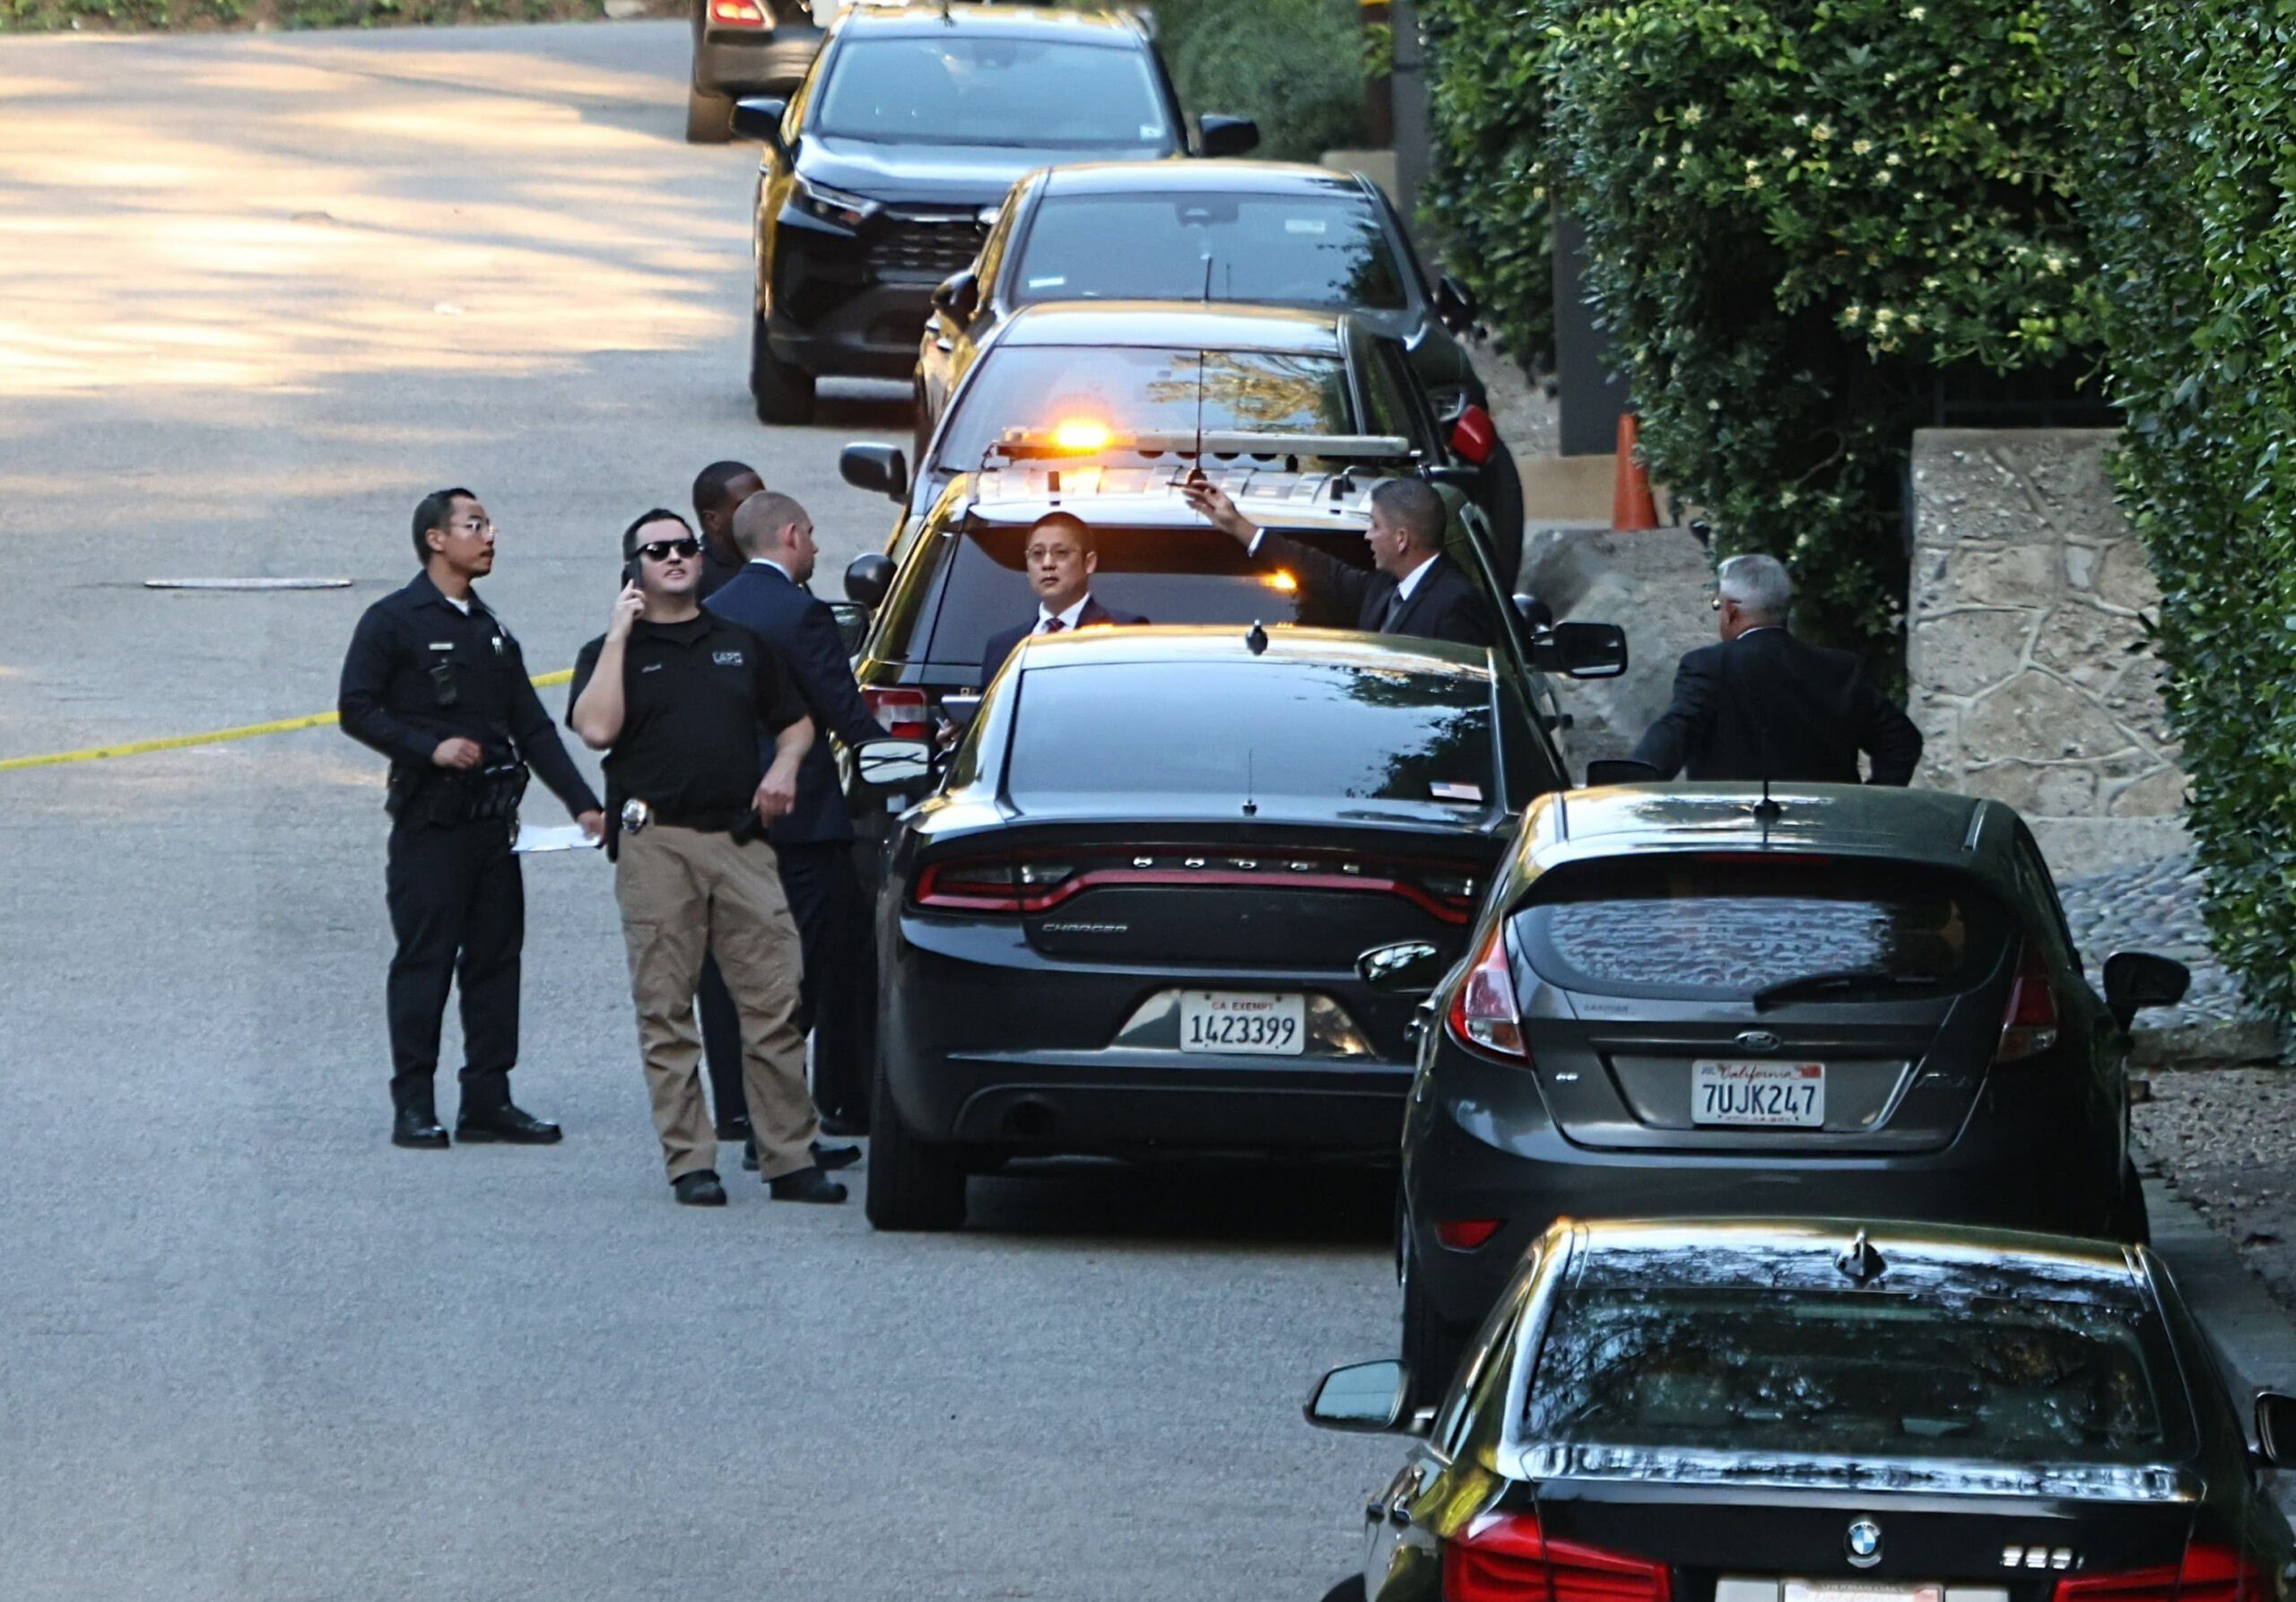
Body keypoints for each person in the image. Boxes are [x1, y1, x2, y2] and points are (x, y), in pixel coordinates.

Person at [567, 510, 855, 1206]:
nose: (673, 557)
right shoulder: (612, 651)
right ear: (633, 569)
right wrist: (618, 634)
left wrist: (785, 767)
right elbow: (597, 728)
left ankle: (788, 1157)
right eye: (655, 550)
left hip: (743, 843)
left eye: (684, 546)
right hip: (656, 844)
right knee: (667, 1009)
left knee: (774, 1001)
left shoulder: (740, 643)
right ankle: (690, 1160)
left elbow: (796, 723)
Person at [338, 487, 604, 1151]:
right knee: (425, 962)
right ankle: (414, 1104)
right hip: (432, 827)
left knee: (495, 962)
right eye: (475, 524)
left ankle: (488, 1099)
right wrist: (429, 748)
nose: (490, 536)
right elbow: (357, 707)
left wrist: (583, 803)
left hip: (493, 828)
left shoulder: (490, 630)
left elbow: (533, 727)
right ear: (436, 539)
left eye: (490, 524)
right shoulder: (393, 620)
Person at [707, 491, 883, 1136]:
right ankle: (783, 1120)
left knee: (749, 962)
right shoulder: (801, 614)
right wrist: (900, 754)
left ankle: (755, 1112)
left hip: (733, 818)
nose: (814, 546)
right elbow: (842, 710)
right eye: (808, 534)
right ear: (787, 536)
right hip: (804, 824)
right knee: (812, 964)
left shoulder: (713, 610)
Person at [1630, 553, 1924, 785]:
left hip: (1733, 834)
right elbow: (1902, 740)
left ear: (1731, 611)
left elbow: (1676, 731)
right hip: (1826, 834)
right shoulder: (1840, 669)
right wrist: (1871, 799)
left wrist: (1628, 783)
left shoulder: (1709, 667)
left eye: (1718, 606)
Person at [1183, 475, 1491, 648]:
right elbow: (1318, 570)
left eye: (1374, 526)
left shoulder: (1455, 605)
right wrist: (1237, 525)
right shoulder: (1386, 586)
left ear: (1401, 538)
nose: (1367, 536)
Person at [978, 513, 1147, 685]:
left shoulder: (1124, 632)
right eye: (1037, 554)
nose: (1047, 563)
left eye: (1061, 553)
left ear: (1089, 563)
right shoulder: (1002, 647)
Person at [691, 458, 765, 601]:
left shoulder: (777, 561)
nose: (763, 509)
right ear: (712, 520)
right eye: (747, 505)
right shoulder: (694, 580)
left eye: (763, 500)